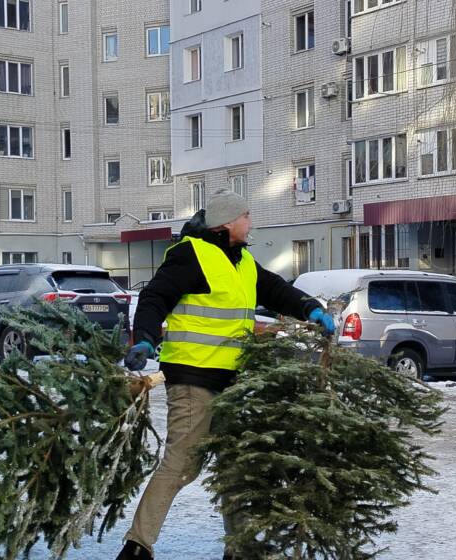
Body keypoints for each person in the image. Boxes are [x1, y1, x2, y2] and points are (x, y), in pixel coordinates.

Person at [117, 189, 335, 560]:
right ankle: (137, 546)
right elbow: (155, 298)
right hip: (192, 379)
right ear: (227, 223)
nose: (251, 223)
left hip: (233, 382)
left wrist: (310, 308)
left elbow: (276, 289)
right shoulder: (191, 256)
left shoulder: (243, 262)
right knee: (182, 464)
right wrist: (146, 339)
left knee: (237, 465)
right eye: (247, 216)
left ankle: (240, 548)